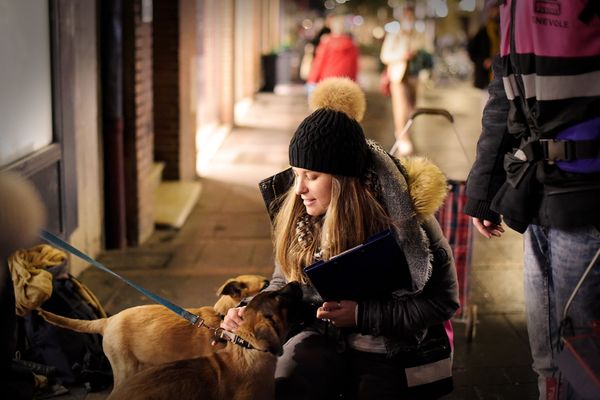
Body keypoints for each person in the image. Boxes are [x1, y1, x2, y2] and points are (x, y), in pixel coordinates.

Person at [222, 77, 459, 399]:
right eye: (296, 174)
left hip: (390, 349)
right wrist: (248, 311)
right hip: (320, 336)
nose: (300, 189)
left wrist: (363, 314)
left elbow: (443, 301)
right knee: (287, 381)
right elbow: (284, 283)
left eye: (312, 176)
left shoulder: (407, 218)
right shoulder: (299, 212)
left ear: (344, 179)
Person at [463, 1, 600, 399]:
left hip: (585, 198)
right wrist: (483, 192)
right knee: (548, 359)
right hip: (535, 192)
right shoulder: (513, 7)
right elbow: (503, 99)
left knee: (584, 357)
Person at [380, 5, 430, 156]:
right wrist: (403, 55)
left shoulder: (419, 35)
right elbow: (385, 56)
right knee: (400, 108)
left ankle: (406, 134)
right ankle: (402, 137)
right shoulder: (394, 35)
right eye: (406, 16)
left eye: (411, 16)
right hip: (398, 76)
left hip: (414, 76)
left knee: (411, 109)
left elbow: (427, 53)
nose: (409, 19)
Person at [305, 14, 359, 94]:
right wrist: (354, 81)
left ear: (332, 28)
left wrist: (312, 80)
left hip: (327, 80)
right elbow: (354, 65)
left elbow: (319, 63)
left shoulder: (326, 43)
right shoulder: (352, 45)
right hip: (345, 81)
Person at [466, 1, 499, 109]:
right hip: (486, 77)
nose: (497, 12)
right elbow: (471, 50)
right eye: (494, 10)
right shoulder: (484, 31)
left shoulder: (504, 30)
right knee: (486, 107)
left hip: (500, 77)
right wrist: (483, 61)